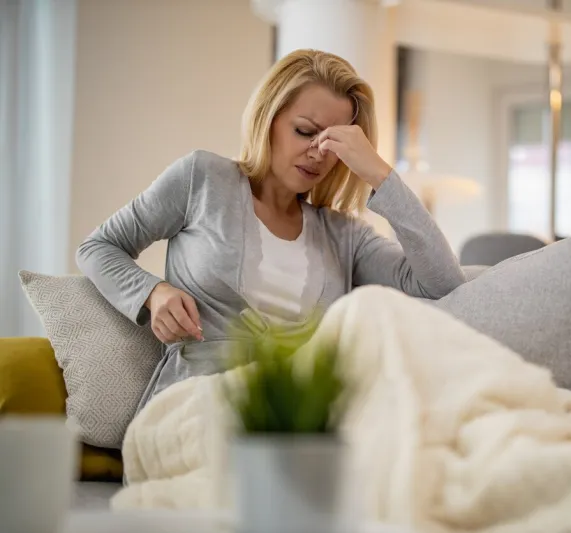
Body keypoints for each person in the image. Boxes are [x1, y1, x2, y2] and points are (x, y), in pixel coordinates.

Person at [76, 49, 466, 410]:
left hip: (300, 418)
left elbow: (444, 283)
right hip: (196, 404)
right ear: (270, 118)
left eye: (334, 143)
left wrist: (380, 173)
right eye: (305, 131)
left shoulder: (345, 236)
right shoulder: (202, 179)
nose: (318, 152)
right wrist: (153, 292)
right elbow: (98, 247)